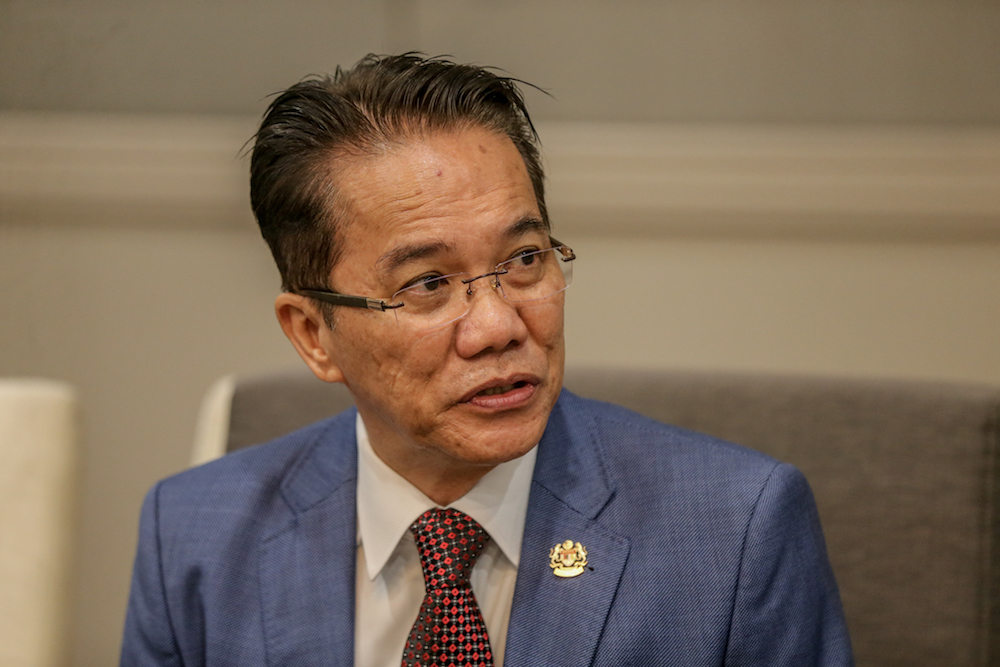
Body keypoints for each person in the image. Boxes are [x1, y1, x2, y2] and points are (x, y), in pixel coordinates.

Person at [121, 54, 854, 666]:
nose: (499, 326)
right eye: (427, 284)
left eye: (525, 259)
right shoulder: (193, 538)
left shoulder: (735, 531)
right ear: (313, 333)